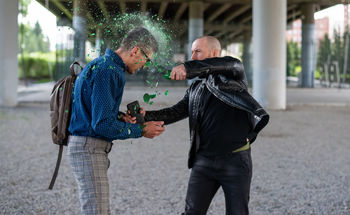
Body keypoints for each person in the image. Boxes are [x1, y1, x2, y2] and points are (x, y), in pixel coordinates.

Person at [142, 36, 269, 215]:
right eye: (192, 52)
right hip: (203, 161)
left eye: (198, 51)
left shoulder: (234, 72)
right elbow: (174, 112)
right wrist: (144, 116)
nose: (193, 57)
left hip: (235, 161)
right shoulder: (196, 88)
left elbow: (224, 64)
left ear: (215, 53)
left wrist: (186, 68)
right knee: (192, 212)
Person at [67, 27, 165, 215]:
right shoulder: (109, 70)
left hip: (86, 146)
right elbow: (102, 124)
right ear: (136, 50)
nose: (144, 65)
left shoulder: (102, 65)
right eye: (147, 59)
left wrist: (122, 117)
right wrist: (142, 130)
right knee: (97, 211)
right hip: (89, 148)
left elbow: (93, 110)